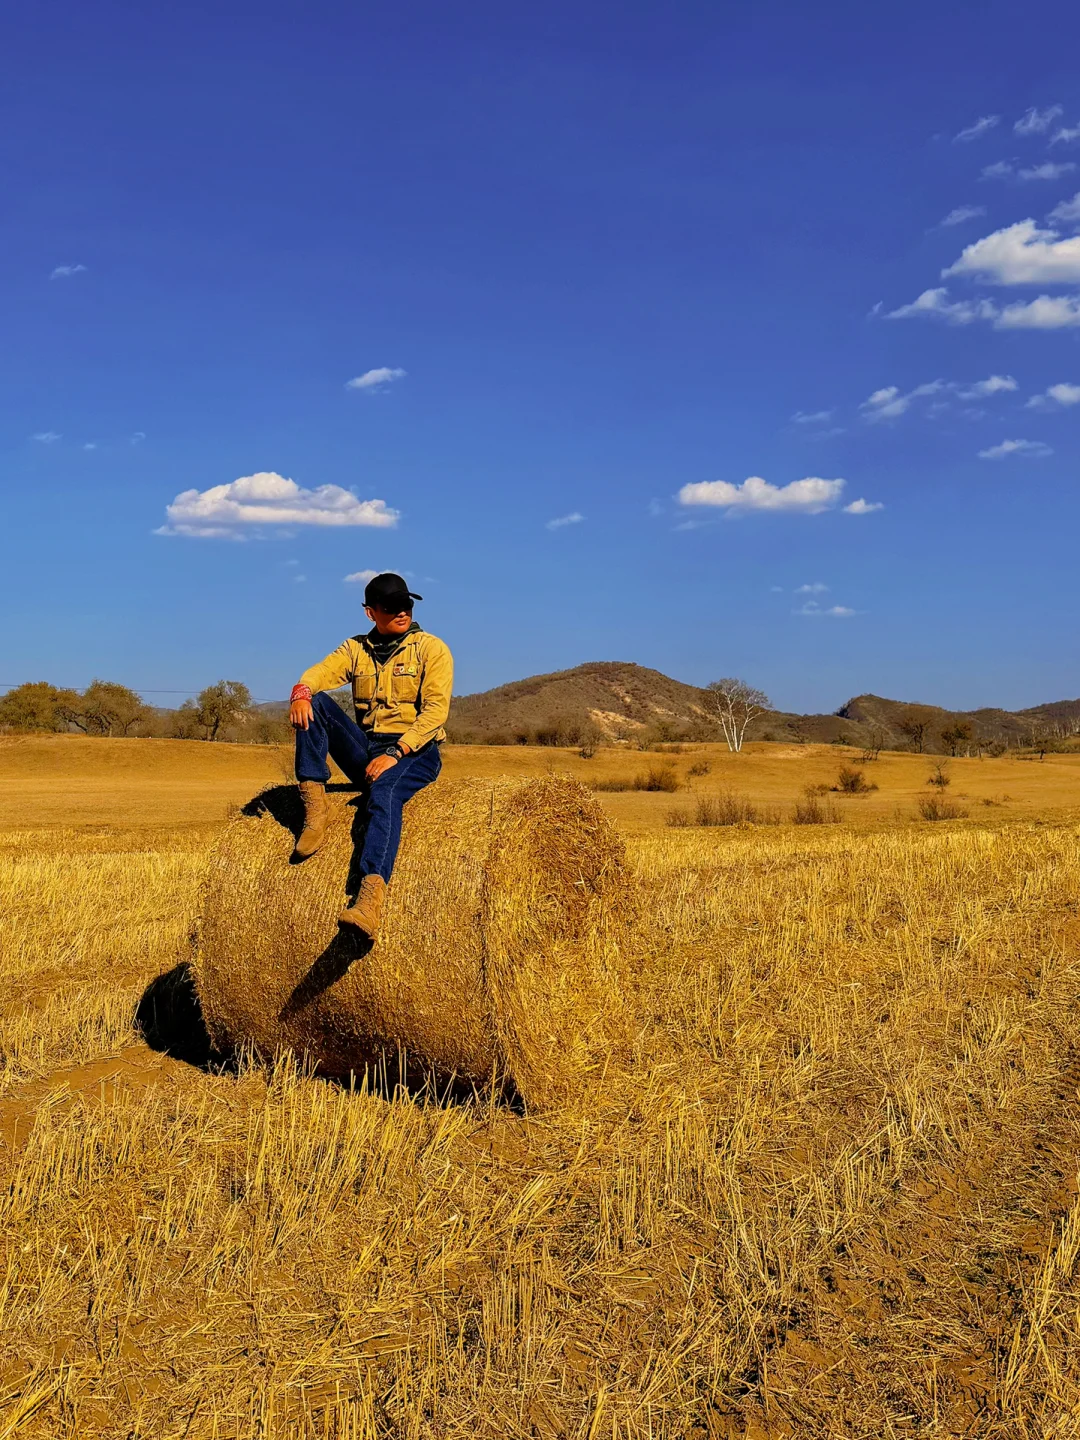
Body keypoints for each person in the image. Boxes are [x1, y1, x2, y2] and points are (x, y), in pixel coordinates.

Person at [288, 572, 453, 940]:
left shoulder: (431, 649)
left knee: (384, 794)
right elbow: (321, 672)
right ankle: (315, 806)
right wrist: (301, 690)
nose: (401, 612)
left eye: (406, 605)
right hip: (368, 747)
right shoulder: (355, 649)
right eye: (391, 607)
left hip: (416, 750)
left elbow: (436, 712)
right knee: (315, 702)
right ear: (370, 613)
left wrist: (397, 751)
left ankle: (369, 898)